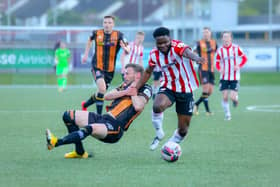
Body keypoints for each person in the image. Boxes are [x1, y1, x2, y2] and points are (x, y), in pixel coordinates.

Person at [46, 64, 152, 158]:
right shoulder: (124, 86)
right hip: (104, 118)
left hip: (116, 127)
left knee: (90, 128)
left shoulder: (146, 88)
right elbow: (107, 96)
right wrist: (126, 91)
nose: (124, 76)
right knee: (68, 116)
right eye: (124, 74)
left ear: (138, 75)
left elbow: (138, 106)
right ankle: (79, 152)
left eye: (127, 74)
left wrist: (133, 92)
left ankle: (56, 142)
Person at [135, 27, 205, 150]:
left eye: (165, 42)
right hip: (168, 86)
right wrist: (136, 87)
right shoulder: (154, 54)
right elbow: (147, 71)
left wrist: (196, 58)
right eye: (159, 43)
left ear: (170, 39)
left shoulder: (177, 46)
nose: (162, 45)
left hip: (186, 90)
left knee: (183, 130)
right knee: (157, 106)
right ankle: (159, 132)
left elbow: (187, 53)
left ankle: (169, 146)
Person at [81, 15, 130, 114]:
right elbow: (89, 39)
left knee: (101, 92)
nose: (107, 25)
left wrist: (125, 49)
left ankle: (85, 104)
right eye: (105, 22)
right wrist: (86, 54)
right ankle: (99, 116)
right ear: (103, 23)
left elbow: (128, 48)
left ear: (113, 24)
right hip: (97, 66)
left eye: (109, 23)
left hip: (110, 69)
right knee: (102, 89)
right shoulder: (96, 33)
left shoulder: (119, 35)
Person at [215, 31, 247, 120]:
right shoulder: (220, 50)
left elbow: (244, 58)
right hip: (224, 77)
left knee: (232, 97)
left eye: (227, 37)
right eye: (224, 37)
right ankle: (227, 114)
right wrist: (219, 69)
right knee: (225, 96)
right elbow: (217, 63)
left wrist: (239, 66)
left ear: (231, 38)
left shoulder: (236, 48)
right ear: (222, 39)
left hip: (235, 77)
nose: (225, 39)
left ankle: (235, 100)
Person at [193, 27, 218, 115]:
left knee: (210, 91)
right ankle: (208, 111)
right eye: (204, 32)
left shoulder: (214, 43)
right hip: (203, 69)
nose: (205, 34)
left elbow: (217, 54)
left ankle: (196, 104)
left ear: (210, 33)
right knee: (206, 90)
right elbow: (194, 52)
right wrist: (196, 58)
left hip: (211, 70)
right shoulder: (199, 43)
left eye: (207, 32)